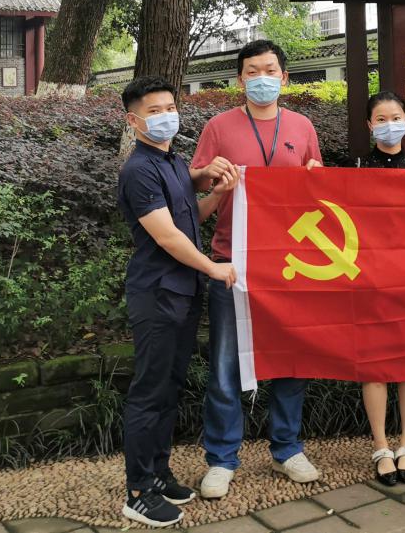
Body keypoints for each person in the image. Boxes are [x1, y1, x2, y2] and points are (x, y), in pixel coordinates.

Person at [190, 40, 324, 499]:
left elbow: (318, 196)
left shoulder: (302, 126)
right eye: (252, 71)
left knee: (291, 360)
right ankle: (222, 458)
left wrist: (315, 176)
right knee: (225, 365)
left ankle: (287, 448)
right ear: (239, 79)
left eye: (270, 70)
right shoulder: (218, 127)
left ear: (284, 77)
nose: (261, 78)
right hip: (232, 261)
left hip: (290, 264)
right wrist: (214, 183)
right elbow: (196, 199)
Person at [117, 75, 238, 528]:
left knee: (169, 389)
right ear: (133, 121)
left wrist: (216, 194)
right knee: (150, 392)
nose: (166, 116)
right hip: (157, 294)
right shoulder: (139, 170)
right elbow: (167, 237)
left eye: (170, 107)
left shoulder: (174, 162)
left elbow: (190, 220)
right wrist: (212, 268)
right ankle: (137, 491)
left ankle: (159, 473)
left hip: (182, 292)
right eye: (154, 111)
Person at [357, 91, 405, 485]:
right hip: (369, 283)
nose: (390, 125)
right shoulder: (354, 170)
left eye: (396, 117)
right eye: (381, 119)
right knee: (374, 365)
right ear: (370, 125)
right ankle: (381, 446)